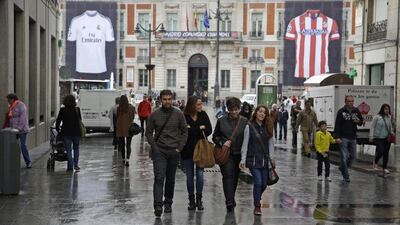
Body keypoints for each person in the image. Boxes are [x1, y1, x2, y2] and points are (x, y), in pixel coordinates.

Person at [146, 89, 188, 217]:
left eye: (169, 99)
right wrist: (155, 147)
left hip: (174, 151)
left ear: (172, 99)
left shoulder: (178, 114)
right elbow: (148, 132)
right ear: (160, 100)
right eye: (165, 99)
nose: (167, 101)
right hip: (160, 151)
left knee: (170, 179)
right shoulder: (154, 115)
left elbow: (185, 131)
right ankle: (158, 205)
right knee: (159, 178)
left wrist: (179, 148)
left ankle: (168, 202)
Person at [212, 97, 248, 212]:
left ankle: (231, 197)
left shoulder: (244, 121)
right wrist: (222, 142)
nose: (234, 112)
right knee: (228, 176)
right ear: (228, 109)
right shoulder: (221, 121)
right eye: (231, 109)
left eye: (236, 109)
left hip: (239, 154)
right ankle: (229, 201)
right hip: (227, 154)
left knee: (235, 177)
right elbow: (215, 136)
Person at [239, 105, 274, 215]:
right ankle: (257, 206)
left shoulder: (267, 127)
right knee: (258, 182)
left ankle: (257, 196)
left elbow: (271, 145)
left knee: (264, 184)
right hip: (253, 161)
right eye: (260, 111)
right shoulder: (249, 127)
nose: (262, 114)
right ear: (256, 113)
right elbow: (244, 144)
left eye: (264, 112)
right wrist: (243, 160)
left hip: (264, 161)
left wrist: (272, 159)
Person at [181, 96, 212, 211]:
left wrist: (191, 129)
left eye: (201, 104)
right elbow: (183, 131)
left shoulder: (203, 114)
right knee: (189, 176)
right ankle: (191, 200)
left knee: (200, 175)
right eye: (198, 104)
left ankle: (199, 199)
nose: (201, 106)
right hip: (187, 150)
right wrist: (199, 129)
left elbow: (209, 130)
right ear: (192, 105)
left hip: (201, 150)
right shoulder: (184, 116)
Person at [334, 95, 364, 182]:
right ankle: (346, 176)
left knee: (353, 156)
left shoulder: (356, 110)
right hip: (343, 137)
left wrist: (358, 121)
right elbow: (337, 125)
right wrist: (337, 137)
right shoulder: (341, 111)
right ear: (345, 102)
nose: (351, 103)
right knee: (344, 157)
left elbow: (361, 122)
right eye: (349, 101)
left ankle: (342, 167)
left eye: (352, 101)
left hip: (353, 136)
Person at [3, 94, 32, 168]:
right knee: (12, 145)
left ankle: (28, 162)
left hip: (22, 130)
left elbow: (23, 118)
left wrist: (19, 128)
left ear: (13, 99)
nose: (8, 102)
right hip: (13, 130)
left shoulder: (21, 106)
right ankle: (13, 161)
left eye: (9, 100)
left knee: (23, 145)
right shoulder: (11, 107)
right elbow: (10, 118)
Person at [56, 95, 82, 171]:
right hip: (76, 132)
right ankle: (76, 165)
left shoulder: (63, 110)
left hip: (66, 132)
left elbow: (58, 121)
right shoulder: (77, 109)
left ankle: (70, 166)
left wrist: (58, 130)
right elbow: (80, 120)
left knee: (68, 149)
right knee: (76, 148)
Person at [369, 104, 394, 175]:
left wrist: (392, 132)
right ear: (382, 109)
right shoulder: (377, 117)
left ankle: (385, 168)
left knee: (386, 153)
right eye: (385, 109)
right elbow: (372, 127)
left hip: (387, 138)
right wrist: (371, 136)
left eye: (388, 109)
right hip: (379, 138)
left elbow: (390, 126)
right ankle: (376, 161)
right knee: (381, 151)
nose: (387, 110)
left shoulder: (389, 117)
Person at [116, 95, 136, 166]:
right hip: (129, 128)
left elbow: (117, 117)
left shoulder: (119, 108)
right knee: (128, 144)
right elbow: (133, 117)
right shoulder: (130, 108)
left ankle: (123, 159)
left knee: (122, 144)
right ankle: (127, 159)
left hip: (120, 128)